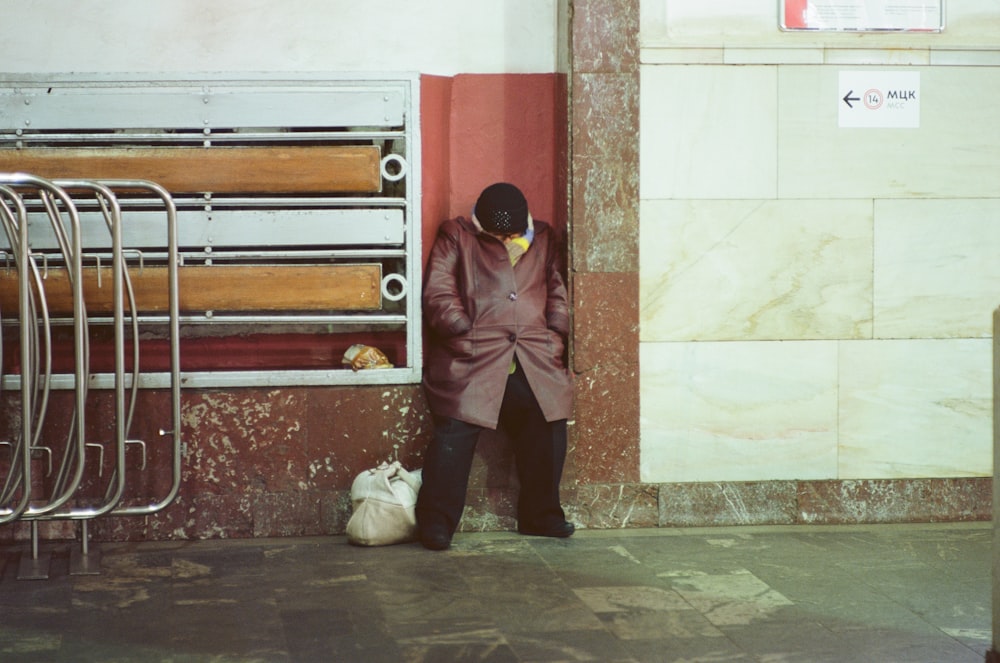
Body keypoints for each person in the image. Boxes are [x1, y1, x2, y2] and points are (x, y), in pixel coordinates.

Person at [417, 182, 575, 551]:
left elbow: (557, 292)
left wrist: (556, 335)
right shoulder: (457, 235)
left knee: (548, 423)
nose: (505, 238)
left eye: (511, 233)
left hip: (534, 355)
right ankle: (436, 522)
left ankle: (541, 515)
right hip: (474, 355)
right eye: (497, 233)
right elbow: (438, 292)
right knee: (455, 430)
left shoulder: (544, 239)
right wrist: (462, 330)